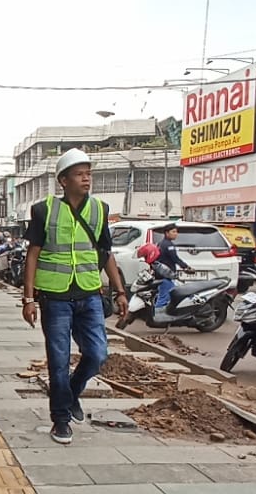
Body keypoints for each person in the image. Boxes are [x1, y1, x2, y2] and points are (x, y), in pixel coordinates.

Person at [21, 148, 129, 445]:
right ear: (63, 181)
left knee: (97, 354)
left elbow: (105, 253)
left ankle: (71, 393)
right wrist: (28, 299)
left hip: (89, 294)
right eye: (80, 174)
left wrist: (120, 290)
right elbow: (33, 254)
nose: (86, 179)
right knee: (58, 360)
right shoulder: (43, 210)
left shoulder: (99, 209)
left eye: (88, 174)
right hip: (55, 298)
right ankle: (61, 420)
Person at [151, 224, 194, 324]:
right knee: (164, 296)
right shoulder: (168, 245)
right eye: (173, 232)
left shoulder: (161, 243)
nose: (176, 234)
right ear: (167, 233)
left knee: (167, 295)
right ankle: (157, 318)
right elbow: (175, 259)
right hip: (166, 276)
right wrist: (186, 267)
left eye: (176, 232)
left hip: (162, 275)